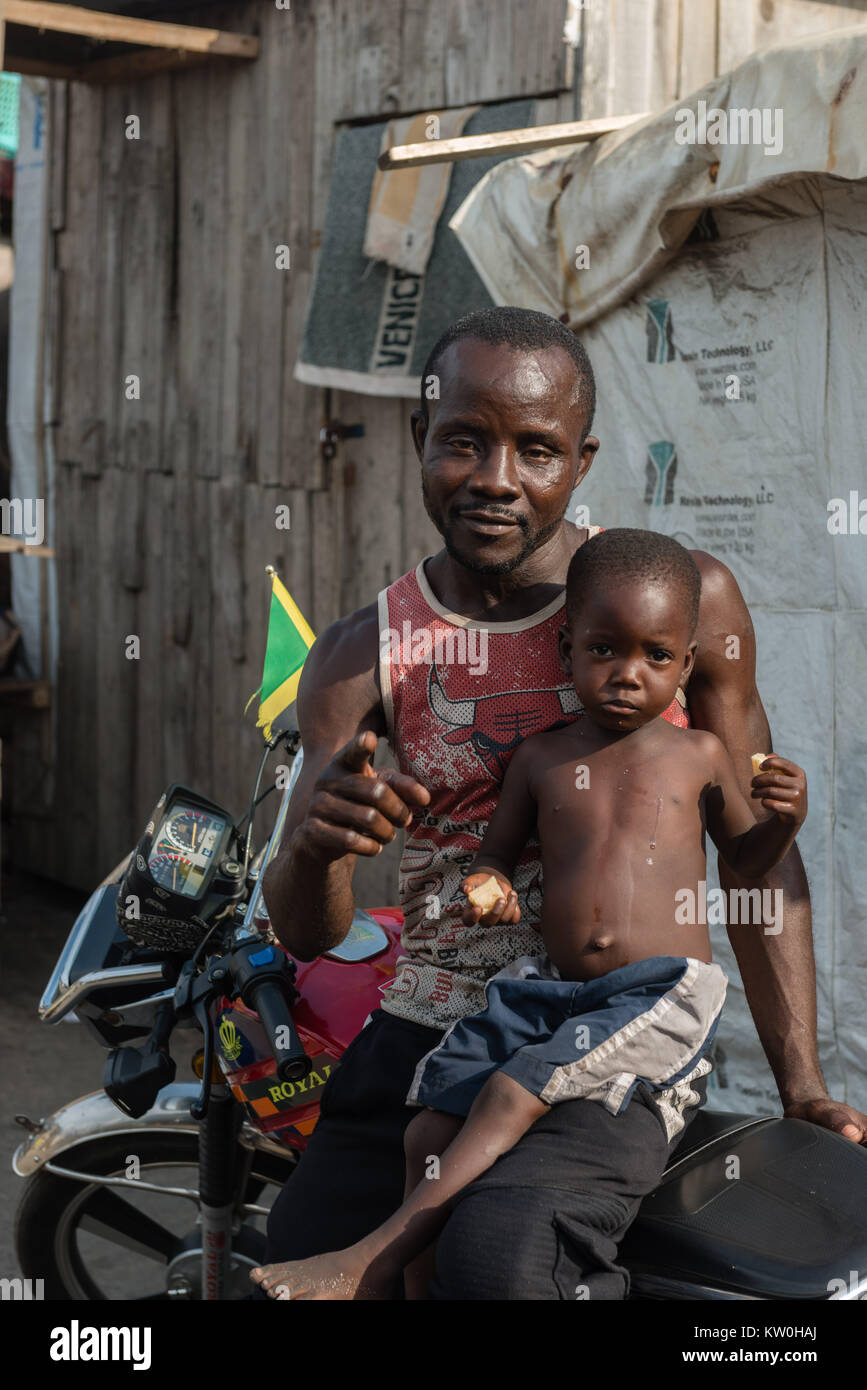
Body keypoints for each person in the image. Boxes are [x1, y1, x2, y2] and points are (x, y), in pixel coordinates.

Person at [255, 307, 867, 1302]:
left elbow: (759, 861)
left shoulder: (680, 602)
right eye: (464, 439)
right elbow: (304, 930)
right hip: (437, 1020)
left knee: (502, 1263)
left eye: (535, 449)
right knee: (297, 1258)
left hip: (616, 1016)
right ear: (421, 437)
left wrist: (802, 1081)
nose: (496, 477)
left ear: (580, 462)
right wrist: (319, 852)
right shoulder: (363, 653)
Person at [250, 530, 808, 1299]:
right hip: (542, 986)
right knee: (425, 1130)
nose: (626, 675)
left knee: (512, 1116)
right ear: (566, 646)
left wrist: (782, 821)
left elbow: (750, 866)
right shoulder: (535, 755)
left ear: (685, 665)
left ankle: (370, 1257)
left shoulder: (700, 753)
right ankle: (409, 1278)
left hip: (654, 993)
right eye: (605, 651)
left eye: (654, 657)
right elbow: (491, 854)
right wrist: (479, 882)